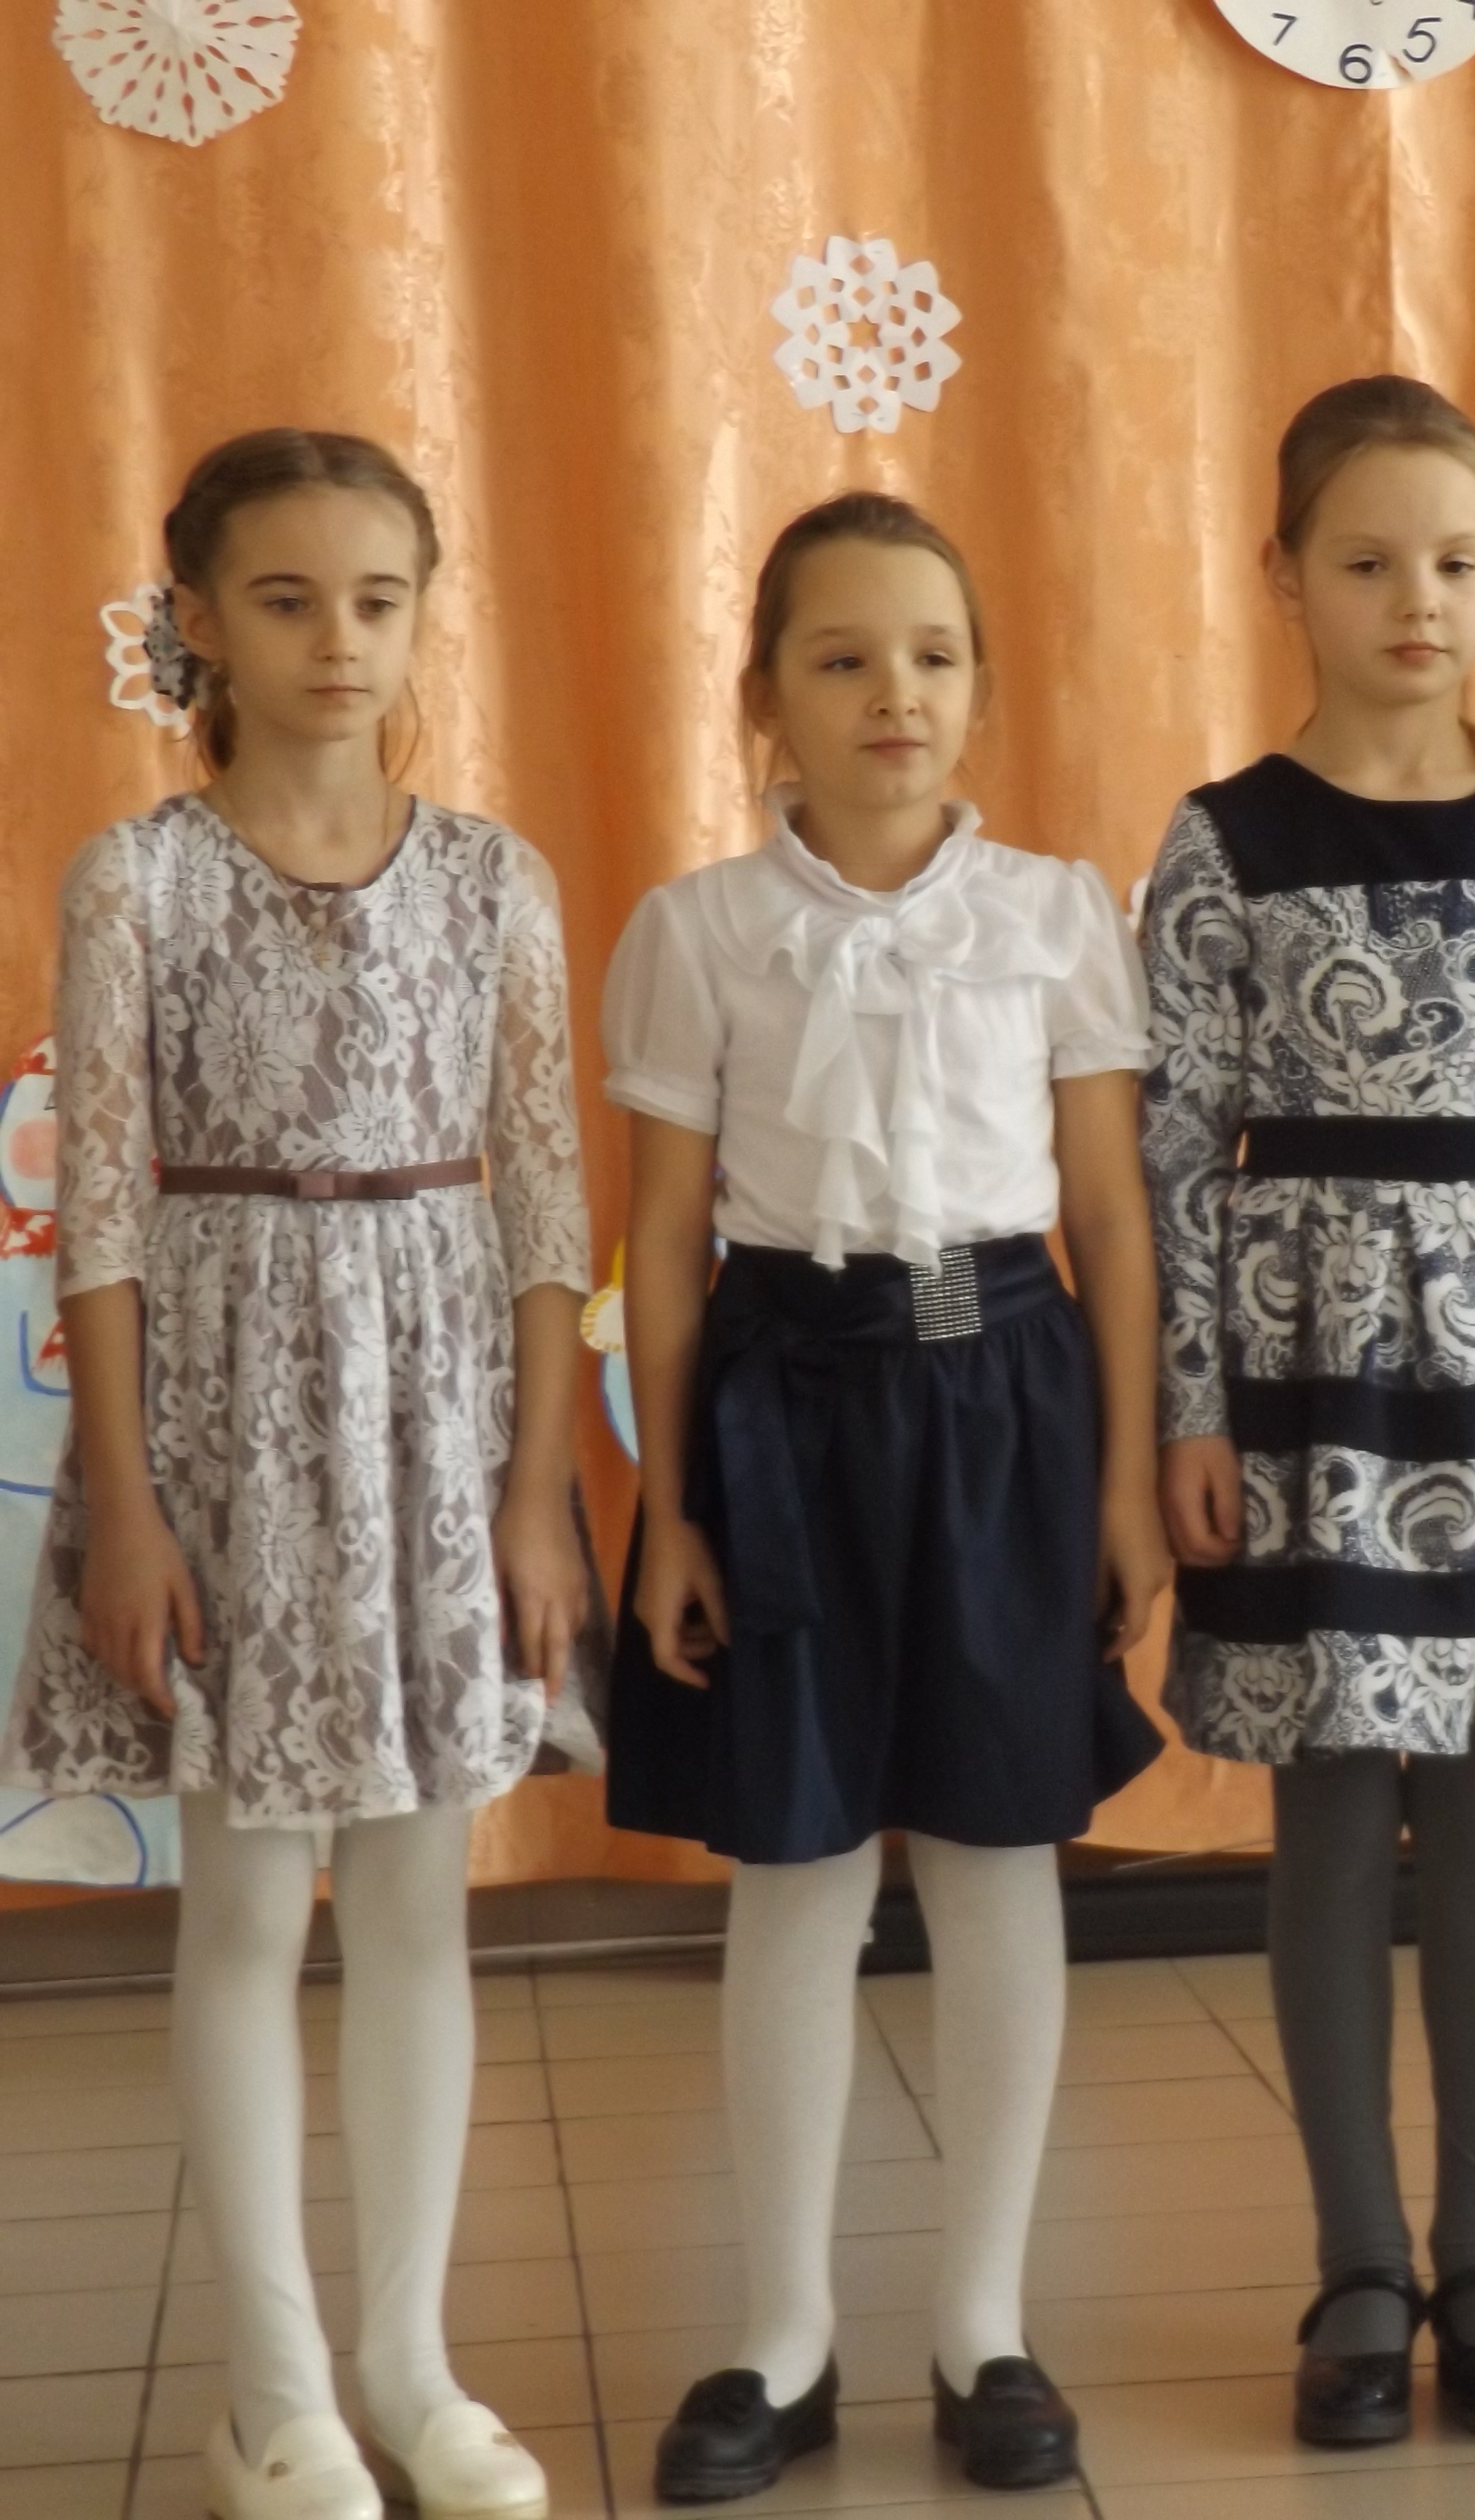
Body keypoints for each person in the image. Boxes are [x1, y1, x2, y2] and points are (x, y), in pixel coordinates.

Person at [1, 428, 585, 2520]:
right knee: (249, 1902)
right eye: (285, 598)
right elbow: (106, 1218)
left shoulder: (498, 880)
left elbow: (544, 1204)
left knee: (420, 1900)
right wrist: (128, 1504)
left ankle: (412, 2372)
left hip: (436, 1419)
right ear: (199, 623)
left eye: (378, 598)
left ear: (424, 617)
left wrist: (537, 1491)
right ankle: (274, 2397)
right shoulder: (137, 879)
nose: (339, 639)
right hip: (224, 1428)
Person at [604, 491, 1171, 2497]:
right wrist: (671, 1507)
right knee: (801, 1867)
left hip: (1007, 1400)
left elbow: (1110, 1213)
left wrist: (1124, 1484)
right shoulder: (697, 932)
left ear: (982, 688)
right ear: (764, 697)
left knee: (1002, 1855)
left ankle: (983, 2323)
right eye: (839, 659)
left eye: (930, 655)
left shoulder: (1055, 915)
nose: (891, 694)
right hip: (787, 1408)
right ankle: (784, 2335)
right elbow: (665, 1243)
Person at [1140, 376, 1475, 2449]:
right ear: (1285, 575)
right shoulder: (1225, 840)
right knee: (1335, 1814)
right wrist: (1191, 1406)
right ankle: (1359, 2262)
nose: (1416, 598)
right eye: (1366, 560)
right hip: (1308, 1371)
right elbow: (1173, 1149)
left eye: (1455, 559)